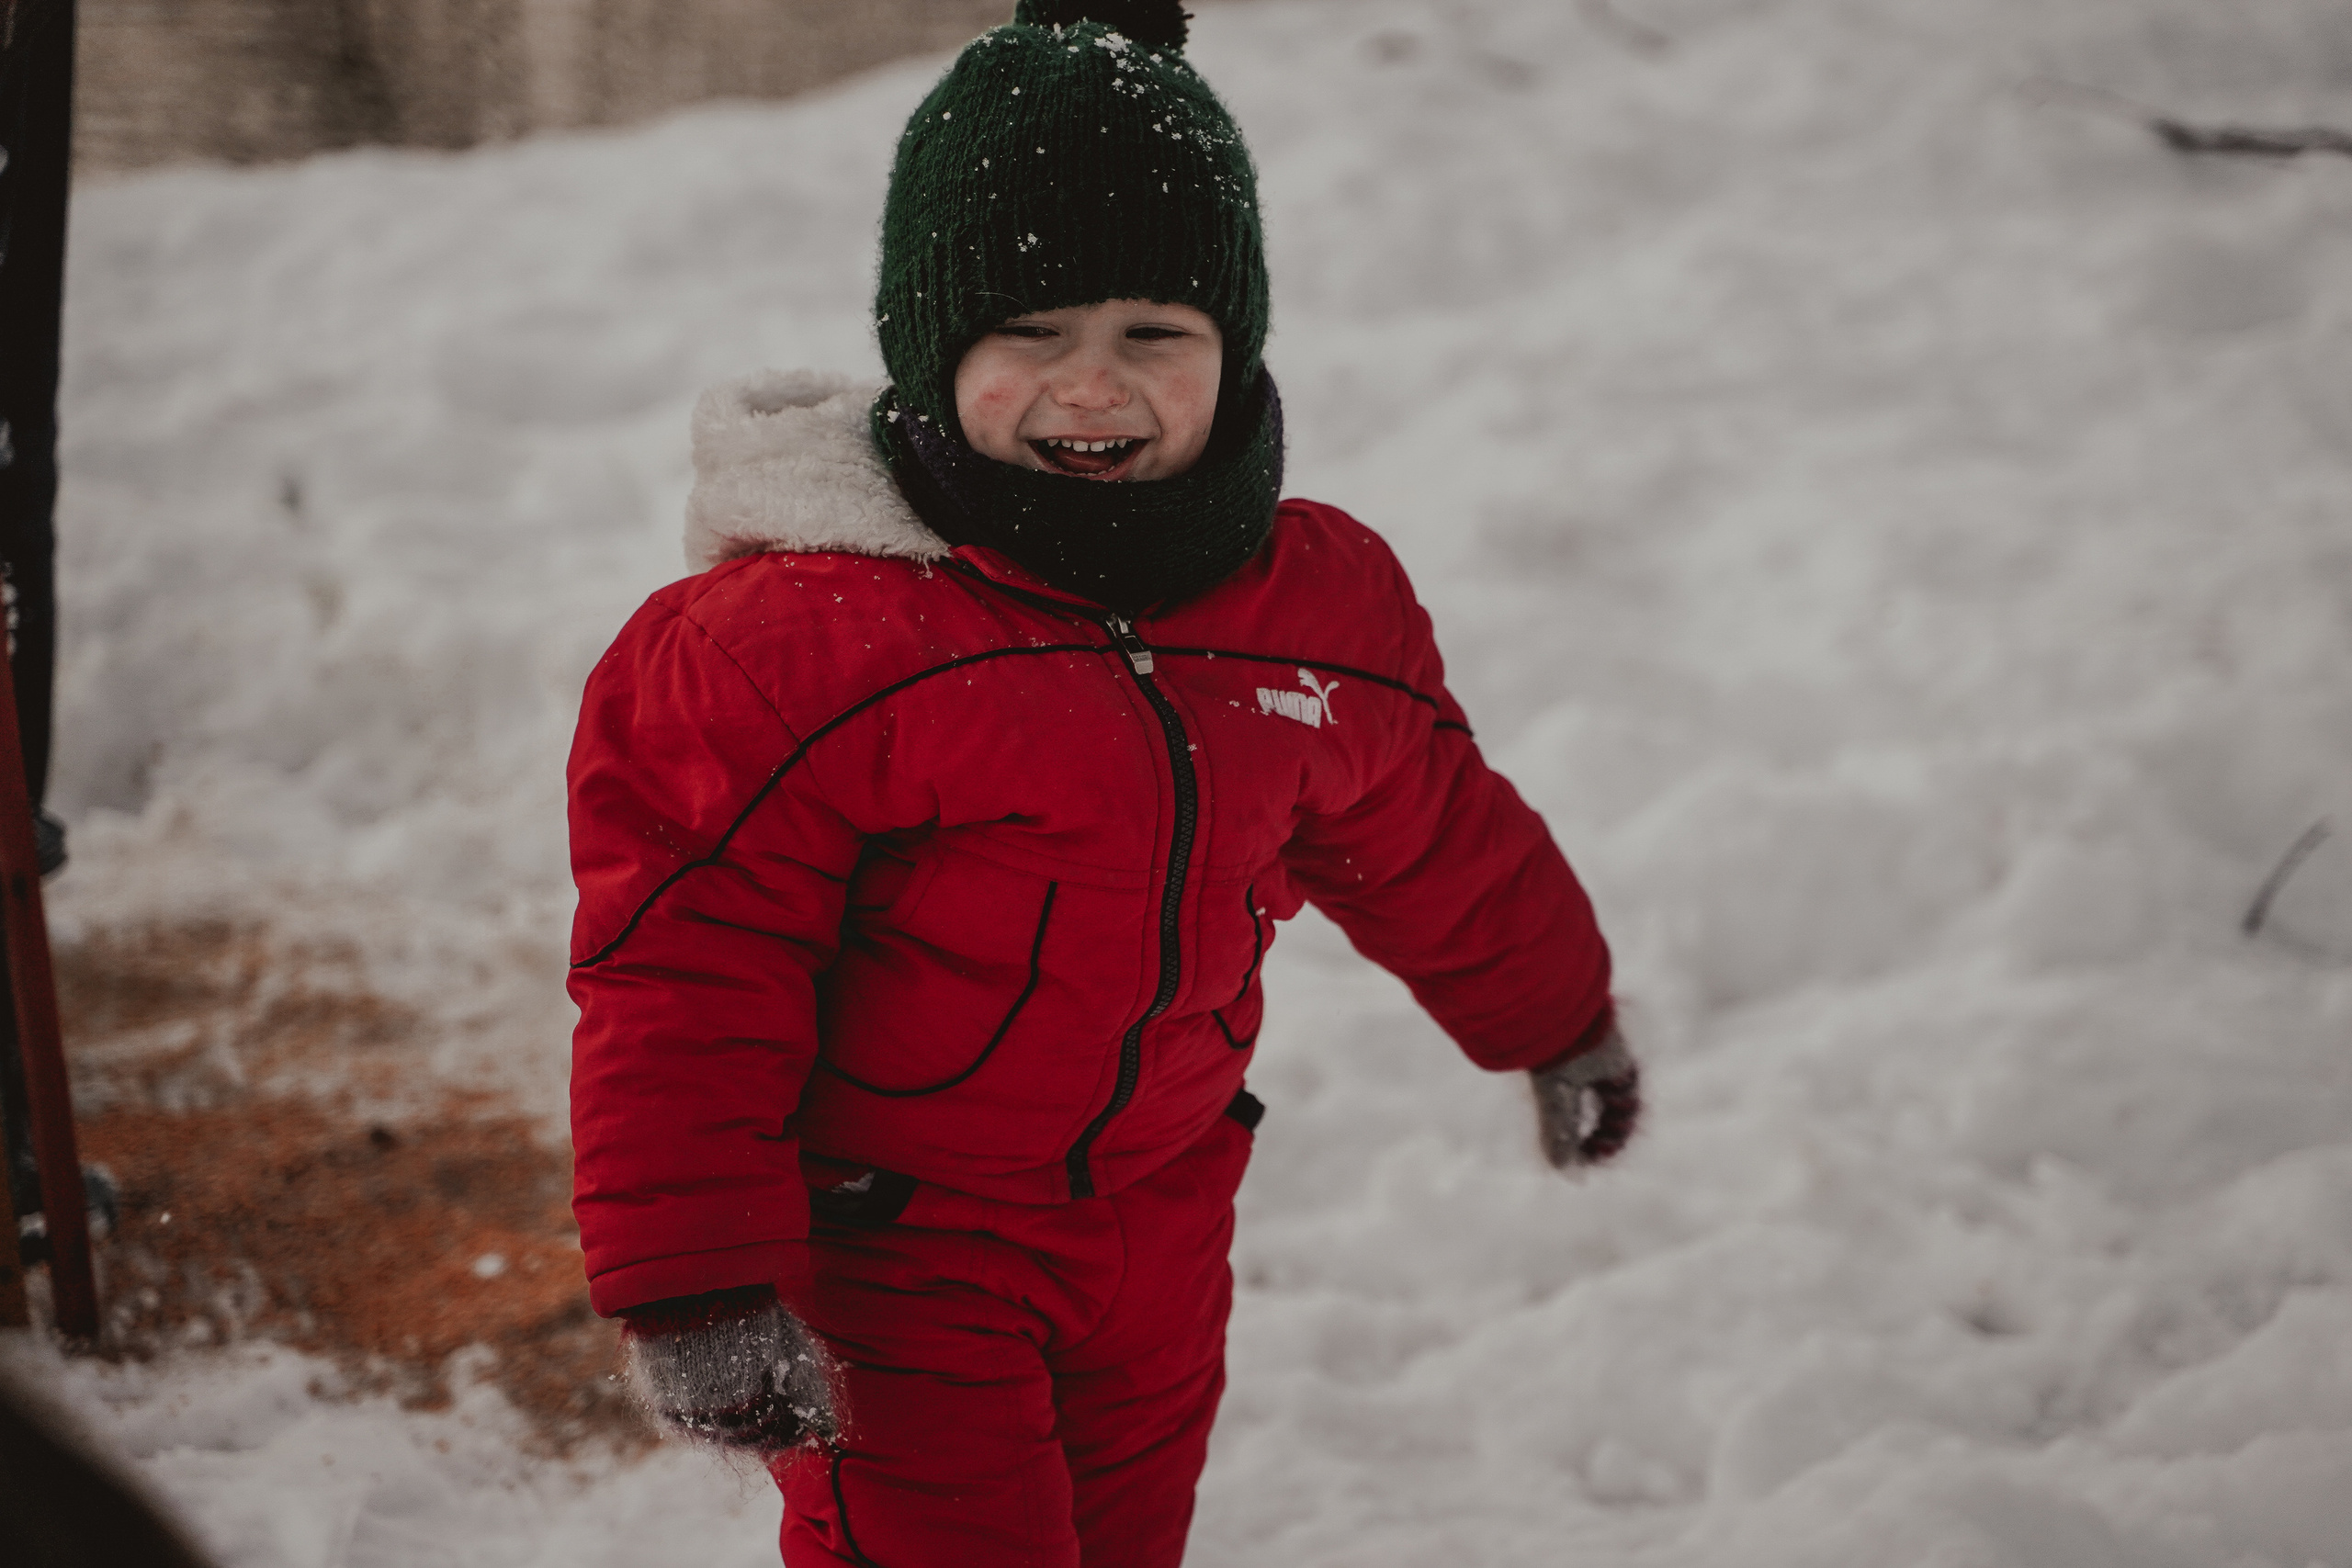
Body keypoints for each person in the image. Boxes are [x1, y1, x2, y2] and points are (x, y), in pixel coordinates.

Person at [565, 3, 1638, 1562]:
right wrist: (699, 1277)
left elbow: (1433, 834)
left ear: (1235, 349)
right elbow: (686, 963)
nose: (1095, 388)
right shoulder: (799, 638)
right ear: (935, 350)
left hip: (1162, 1221)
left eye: (1156, 335)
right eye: (1033, 336)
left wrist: (1560, 1020)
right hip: (898, 1244)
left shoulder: (1314, 606)